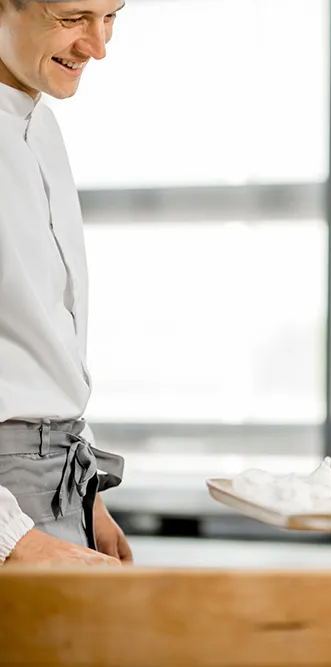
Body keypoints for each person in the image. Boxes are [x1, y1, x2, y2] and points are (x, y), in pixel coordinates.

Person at [0, 0, 130, 566]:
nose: (97, 47)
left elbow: (42, 327)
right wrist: (15, 539)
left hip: (58, 485)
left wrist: (85, 494)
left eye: (112, 17)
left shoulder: (40, 125)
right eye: (73, 18)